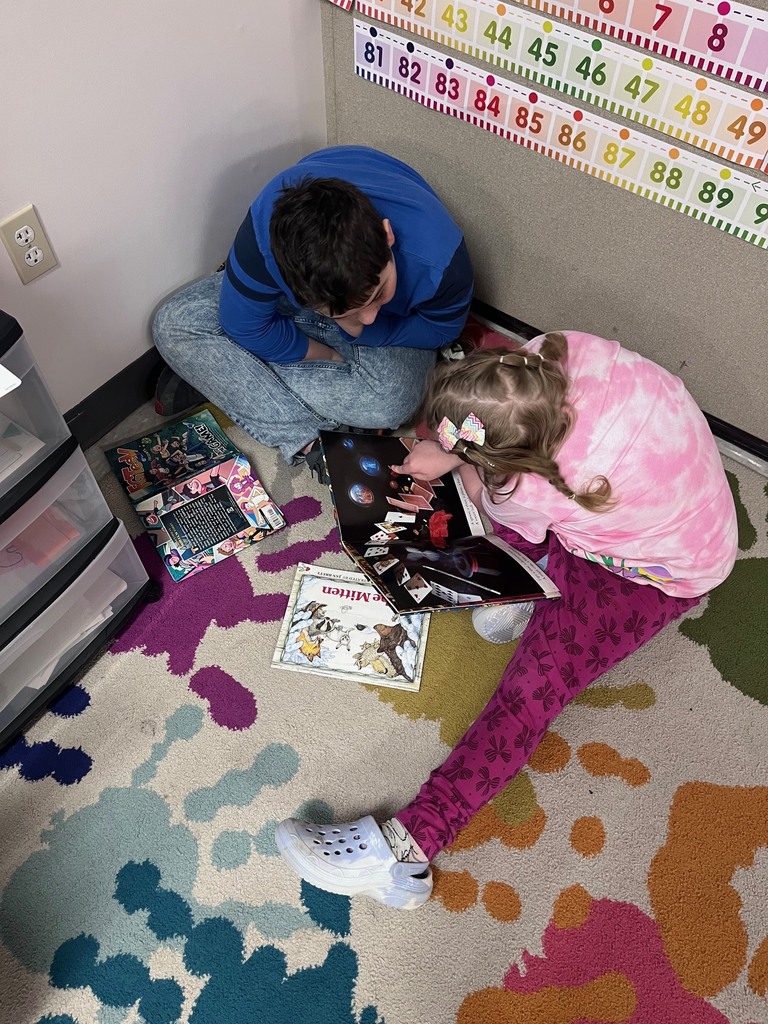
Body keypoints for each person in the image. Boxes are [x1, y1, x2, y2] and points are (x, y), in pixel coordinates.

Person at [274, 331, 738, 910]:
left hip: (660, 570)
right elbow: (481, 447)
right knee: (498, 578)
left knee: (530, 694)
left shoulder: (529, 488)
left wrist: (455, 476)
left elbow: (500, 515)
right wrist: (450, 452)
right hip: (660, 502)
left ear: (498, 465)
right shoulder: (552, 351)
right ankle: (532, 578)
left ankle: (405, 853)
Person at [152, 146, 474, 470]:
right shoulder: (264, 241)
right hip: (305, 292)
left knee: (390, 404)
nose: (368, 317)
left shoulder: (440, 258)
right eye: (348, 312)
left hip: (389, 324)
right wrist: (326, 355)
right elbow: (245, 326)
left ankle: (225, 372)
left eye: (378, 293)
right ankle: (305, 435)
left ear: (387, 235)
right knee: (173, 324)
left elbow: (441, 329)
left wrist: (362, 332)